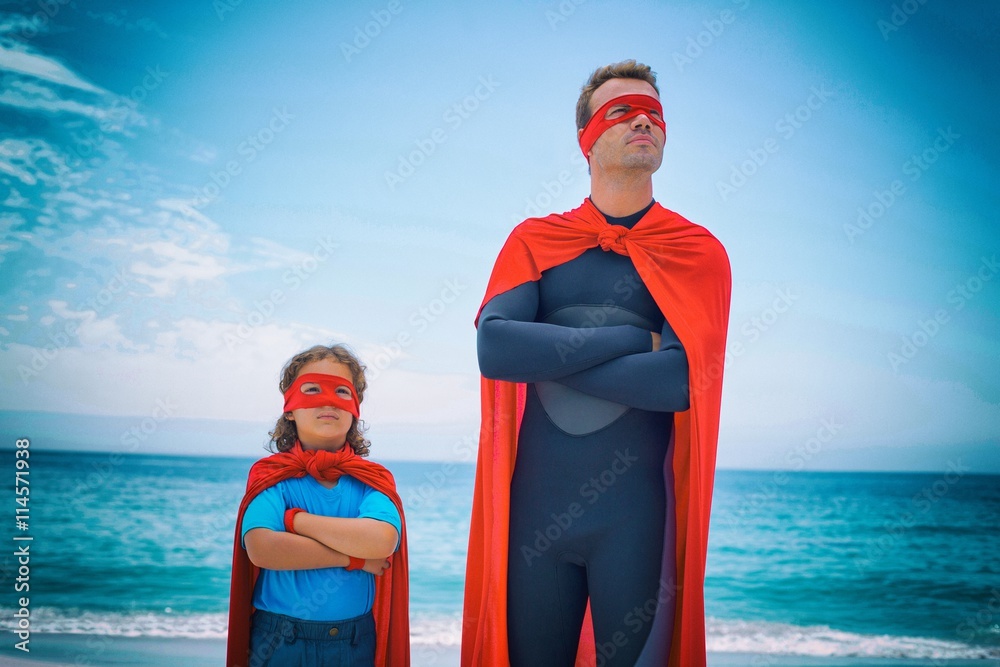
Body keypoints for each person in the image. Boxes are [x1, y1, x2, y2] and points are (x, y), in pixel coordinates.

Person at [462, 60, 731, 667]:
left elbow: (682, 383)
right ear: (586, 139)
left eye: (655, 112)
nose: (644, 119)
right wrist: (638, 341)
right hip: (537, 528)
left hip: (635, 528)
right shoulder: (536, 241)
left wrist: (548, 352)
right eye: (623, 110)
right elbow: (496, 350)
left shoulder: (696, 253)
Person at [227, 344, 410, 667]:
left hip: (353, 642)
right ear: (289, 409)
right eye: (312, 389)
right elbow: (263, 548)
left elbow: (382, 541)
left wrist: (297, 521)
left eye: (341, 391)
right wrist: (353, 559)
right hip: (280, 640)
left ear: (355, 409)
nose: (328, 401)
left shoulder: (372, 480)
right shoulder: (271, 476)